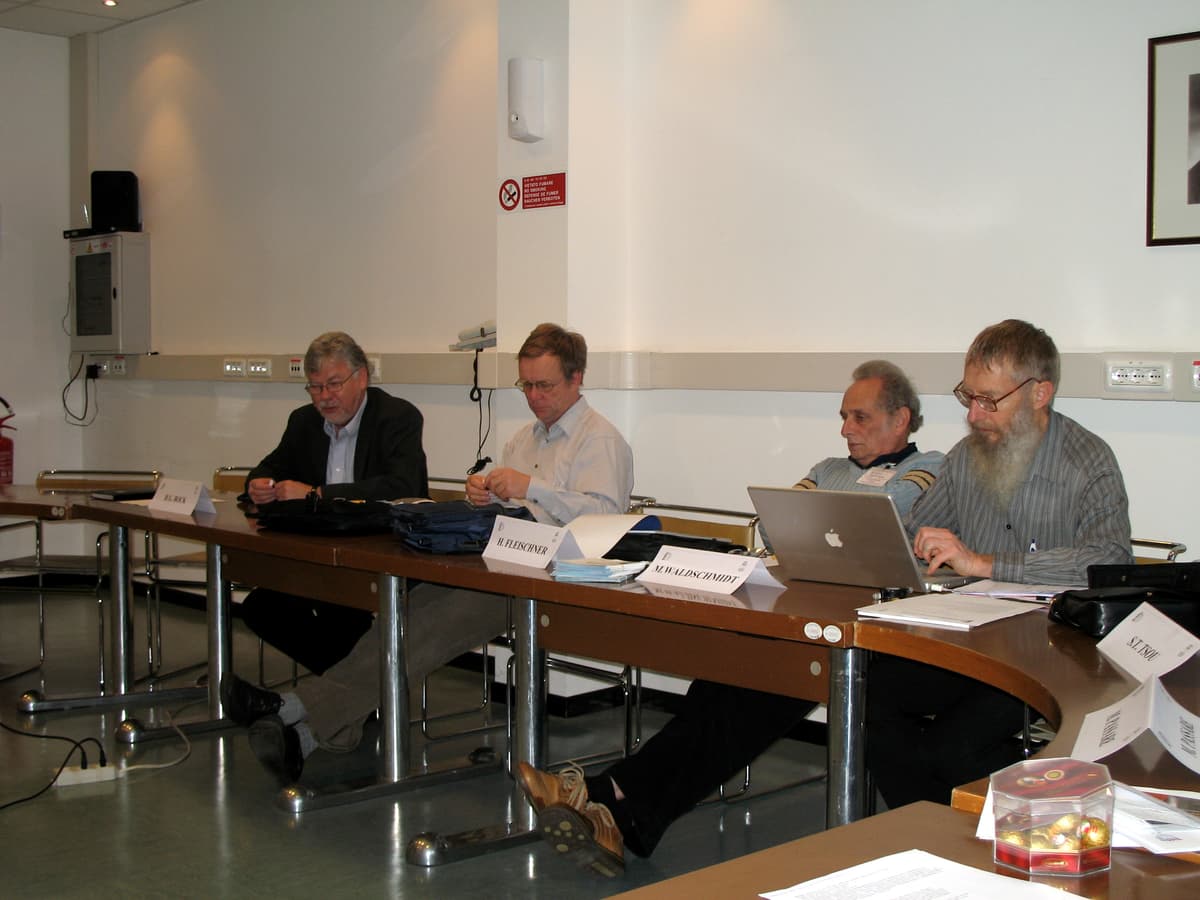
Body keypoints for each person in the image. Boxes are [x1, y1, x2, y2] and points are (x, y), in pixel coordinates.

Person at [515, 360, 943, 877]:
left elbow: (887, 508)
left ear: (901, 419)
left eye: (860, 417)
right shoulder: (829, 466)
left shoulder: (932, 466)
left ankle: (611, 797)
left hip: (876, 632)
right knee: (724, 680)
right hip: (806, 617)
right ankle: (621, 811)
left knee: (750, 697)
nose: (845, 430)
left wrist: (823, 516)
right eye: (843, 417)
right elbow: (778, 522)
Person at [222, 323, 634, 783]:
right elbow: (517, 511)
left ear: (576, 378)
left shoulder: (600, 439)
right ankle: (311, 730)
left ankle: (294, 714)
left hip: (557, 579)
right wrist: (487, 497)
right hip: (503, 562)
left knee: (425, 632)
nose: (534, 397)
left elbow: (605, 521)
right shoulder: (524, 439)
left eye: (545, 385)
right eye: (526, 385)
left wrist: (531, 487)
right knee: (401, 620)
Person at [866, 319, 1134, 809]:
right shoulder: (966, 457)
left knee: (953, 747)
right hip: (973, 640)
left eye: (989, 400)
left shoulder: (1088, 461)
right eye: (968, 396)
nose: (974, 414)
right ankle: (923, 828)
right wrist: (893, 541)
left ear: (1039, 393)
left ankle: (988, 830)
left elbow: (1108, 560)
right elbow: (916, 532)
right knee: (866, 695)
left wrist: (983, 563)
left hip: (1052, 651)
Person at [237, 331, 428, 675]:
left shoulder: (397, 417)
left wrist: (317, 494)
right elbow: (270, 467)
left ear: (362, 377)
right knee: (260, 608)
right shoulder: (303, 422)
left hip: (380, 551)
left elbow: (402, 486)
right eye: (315, 387)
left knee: (340, 611)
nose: (325, 397)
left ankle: (344, 692)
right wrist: (258, 484)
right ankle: (352, 686)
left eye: (334, 384)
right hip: (318, 553)